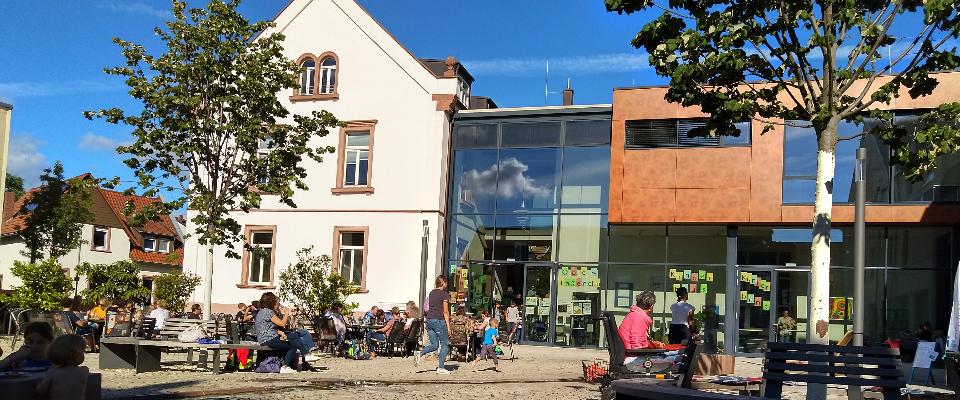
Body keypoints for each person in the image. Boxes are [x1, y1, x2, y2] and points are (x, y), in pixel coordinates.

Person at [255, 292, 318, 373]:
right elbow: (282, 324)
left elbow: (266, 327)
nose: (278, 306)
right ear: (272, 303)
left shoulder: (262, 311)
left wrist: (280, 332)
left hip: (266, 338)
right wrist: (287, 313)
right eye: (277, 304)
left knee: (294, 338)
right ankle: (305, 355)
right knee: (293, 342)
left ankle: (300, 358)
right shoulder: (268, 312)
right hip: (268, 339)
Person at [619, 291, 676, 367]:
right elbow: (636, 346)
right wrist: (650, 352)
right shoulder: (638, 318)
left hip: (630, 355)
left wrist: (651, 344)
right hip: (633, 359)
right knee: (676, 357)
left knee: (672, 354)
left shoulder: (633, 316)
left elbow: (637, 340)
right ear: (651, 307)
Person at [416, 275, 452, 374]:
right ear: (443, 283)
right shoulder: (444, 294)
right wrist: (448, 327)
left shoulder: (431, 293)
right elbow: (445, 311)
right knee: (444, 344)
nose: (447, 284)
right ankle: (440, 368)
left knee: (434, 345)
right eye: (446, 282)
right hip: (438, 321)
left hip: (429, 320)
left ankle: (420, 352)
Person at [36, 334, 89, 400]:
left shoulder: (52, 372)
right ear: (78, 355)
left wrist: (38, 382)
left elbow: (41, 391)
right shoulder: (83, 371)